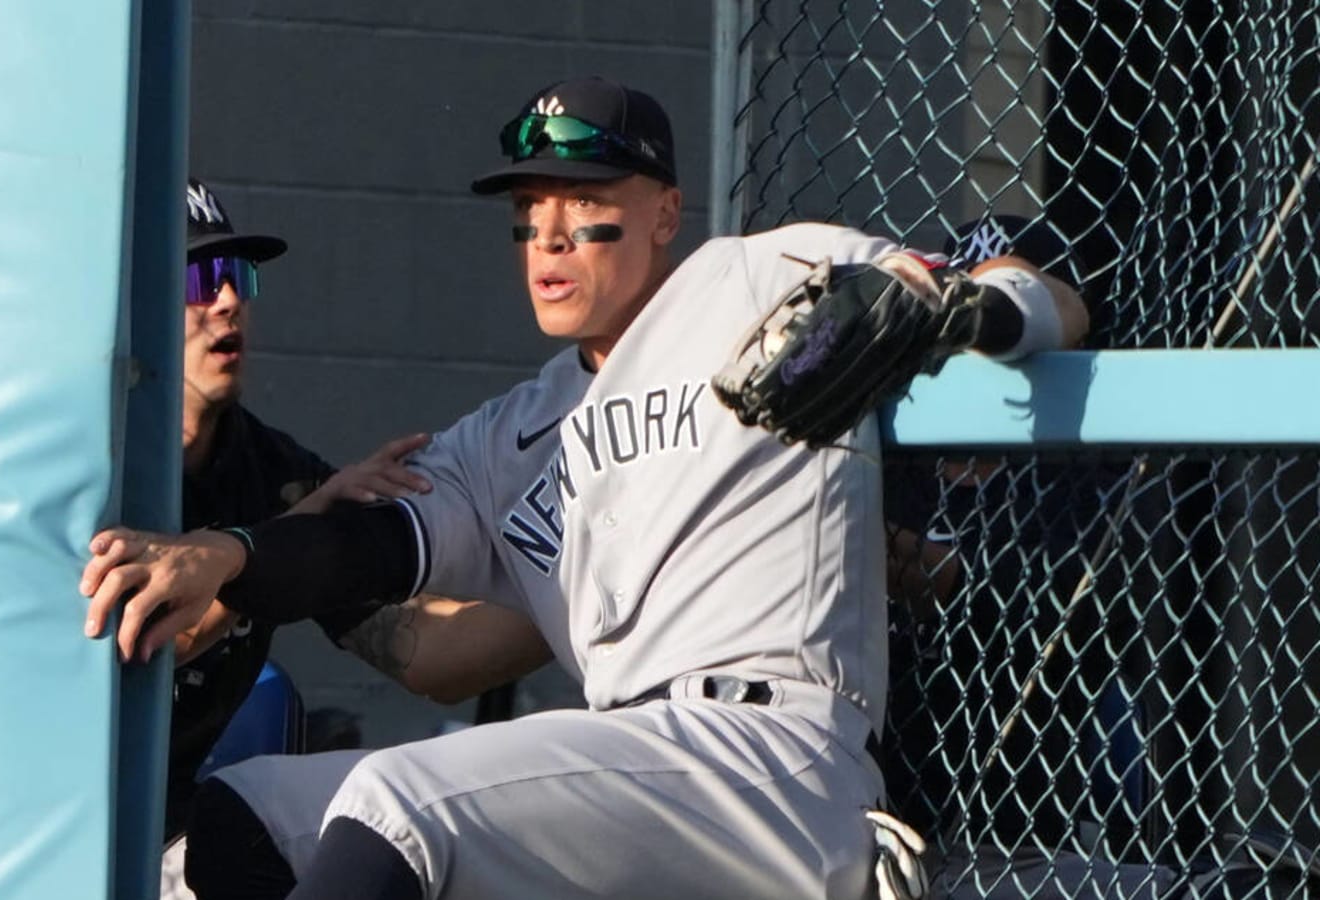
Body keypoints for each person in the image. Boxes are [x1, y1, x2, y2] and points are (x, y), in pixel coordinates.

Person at [79, 76, 1088, 900]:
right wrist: (237, 555)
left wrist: (961, 313)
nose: (551, 238)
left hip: (770, 751)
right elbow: (375, 555)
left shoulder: (758, 280)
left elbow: (1047, 298)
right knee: (245, 815)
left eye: (586, 206)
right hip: (626, 753)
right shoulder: (510, 431)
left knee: (397, 802)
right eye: (531, 215)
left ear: (663, 214)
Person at [0, 176, 452, 900]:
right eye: (197, 278)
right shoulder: (58, 453)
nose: (226, 301)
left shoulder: (275, 475)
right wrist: (280, 543)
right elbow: (120, 651)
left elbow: (420, 646)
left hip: (137, 831)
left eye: (235, 276)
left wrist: (551, 582)